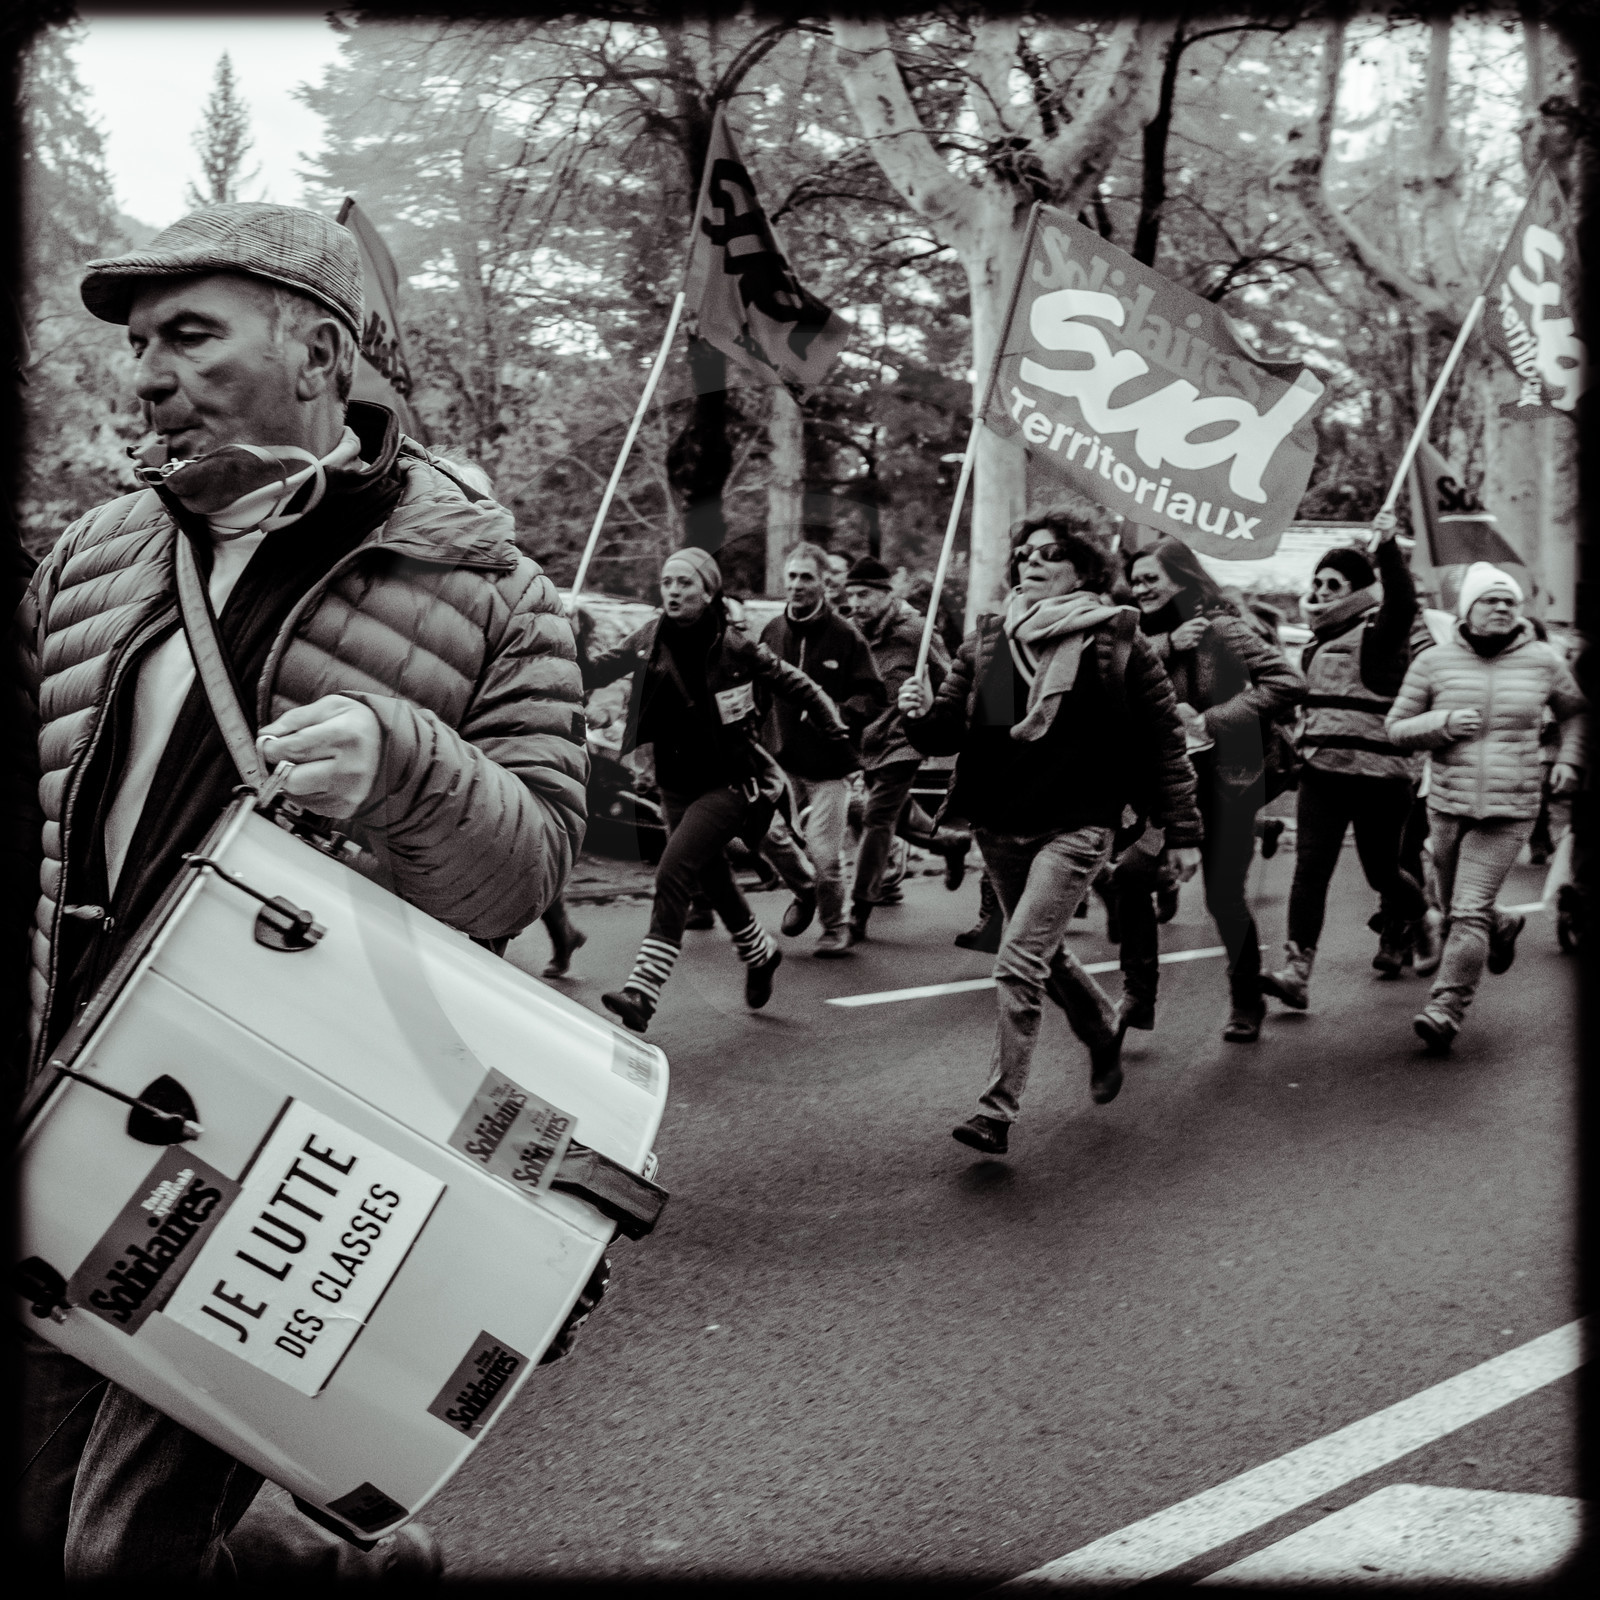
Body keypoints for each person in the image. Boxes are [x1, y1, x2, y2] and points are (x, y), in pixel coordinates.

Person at [17, 202, 588, 1582]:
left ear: (322, 355)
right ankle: (334, 1563)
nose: (146, 374)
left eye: (190, 336)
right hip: (54, 1106)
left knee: (122, 1549)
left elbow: (529, 870)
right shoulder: (93, 554)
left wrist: (403, 766)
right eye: (141, 344)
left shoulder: (494, 591)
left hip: (269, 1131)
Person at [898, 514, 1202, 1155]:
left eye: (1051, 553)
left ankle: (997, 1111)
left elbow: (1163, 739)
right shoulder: (992, 640)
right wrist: (920, 715)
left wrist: (1179, 828)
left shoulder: (1116, 639)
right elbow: (951, 732)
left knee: (1018, 964)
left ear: (1085, 570)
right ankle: (1103, 1029)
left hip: (1079, 825)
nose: (1032, 562)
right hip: (1001, 823)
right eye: (1025, 553)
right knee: (1042, 951)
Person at [583, 546, 851, 1030]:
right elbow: (595, 669)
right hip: (673, 784)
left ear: (709, 592)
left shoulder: (735, 645)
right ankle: (761, 953)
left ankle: (643, 990)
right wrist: (555, 653)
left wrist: (835, 729)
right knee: (713, 879)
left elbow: (797, 684)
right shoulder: (649, 638)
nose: (673, 591)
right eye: (667, 582)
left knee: (673, 871)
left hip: (730, 783)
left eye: (685, 582)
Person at [1385, 562, 1585, 1052]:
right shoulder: (1435, 663)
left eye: (1509, 601)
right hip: (1448, 802)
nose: (1501, 608)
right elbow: (1396, 727)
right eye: (1490, 600)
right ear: (1467, 609)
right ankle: (1505, 922)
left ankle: (1445, 1009)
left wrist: (1570, 762)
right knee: (1458, 905)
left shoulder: (1543, 660)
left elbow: (1576, 714)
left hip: (1511, 805)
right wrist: (1443, 722)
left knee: (1466, 913)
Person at [1125, 537, 1304, 1041]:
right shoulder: (1134, 635)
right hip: (1162, 785)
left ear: (1182, 580)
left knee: (1224, 898)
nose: (1140, 589)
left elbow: (1287, 683)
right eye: (1135, 580)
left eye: (1150, 579)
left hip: (1228, 783)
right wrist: (1168, 644)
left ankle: (1246, 1000)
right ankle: (1138, 995)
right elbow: (1115, 675)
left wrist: (1209, 719)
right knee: (1131, 875)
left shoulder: (1223, 629)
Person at [1258, 510, 1432, 1010]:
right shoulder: (1315, 645)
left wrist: (1386, 546)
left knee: (1383, 875)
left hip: (1381, 780)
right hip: (1324, 776)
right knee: (1310, 869)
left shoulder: (1381, 634)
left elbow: (1402, 600)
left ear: (1358, 589)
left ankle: (1424, 916)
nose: (1320, 590)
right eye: (1317, 582)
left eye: (1332, 583)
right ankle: (1296, 970)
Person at [759, 543, 886, 957]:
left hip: (828, 767)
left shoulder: (845, 636)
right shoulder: (772, 632)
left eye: (806, 577)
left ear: (824, 583)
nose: (797, 585)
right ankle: (804, 891)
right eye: (792, 576)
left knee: (825, 855)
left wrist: (841, 716)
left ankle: (836, 926)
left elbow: (872, 693)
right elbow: (756, 692)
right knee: (760, 836)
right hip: (778, 762)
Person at [841, 555, 970, 941]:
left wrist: (934, 713)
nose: (856, 603)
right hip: (866, 740)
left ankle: (857, 910)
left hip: (904, 739)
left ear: (885, 594)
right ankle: (951, 842)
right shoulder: (851, 633)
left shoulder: (917, 631)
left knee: (877, 818)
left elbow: (950, 680)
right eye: (851, 595)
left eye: (864, 594)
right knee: (894, 817)